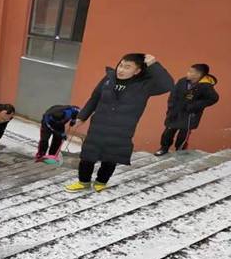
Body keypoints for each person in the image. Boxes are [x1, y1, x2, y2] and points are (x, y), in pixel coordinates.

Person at [65, 53, 173, 193]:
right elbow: (95, 98)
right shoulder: (108, 78)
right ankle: (83, 182)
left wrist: (154, 65)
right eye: (121, 65)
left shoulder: (145, 85)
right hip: (99, 126)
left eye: (127, 67)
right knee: (87, 156)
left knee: (111, 157)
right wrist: (82, 116)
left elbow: (168, 84)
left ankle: (101, 182)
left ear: (137, 71)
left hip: (122, 129)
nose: (121, 70)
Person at [155, 64, 219, 156]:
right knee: (169, 130)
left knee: (184, 133)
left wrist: (195, 105)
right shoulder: (182, 81)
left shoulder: (206, 86)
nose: (188, 73)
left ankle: (180, 150)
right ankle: (164, 148)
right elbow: (173, 94)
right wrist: (171, 106)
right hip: (176, 110)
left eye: (191, 72)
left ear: (198, 74)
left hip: (190, 114)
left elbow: (213, 99)